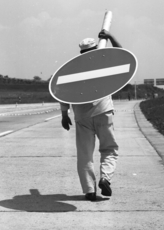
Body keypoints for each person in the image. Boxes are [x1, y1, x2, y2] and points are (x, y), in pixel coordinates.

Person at [60, 29, 121, 201]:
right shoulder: (104, 64)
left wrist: (64, 114)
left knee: (85, 154)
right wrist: (110, 37)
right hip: (103, 111)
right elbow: (123, 55)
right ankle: (105, 178)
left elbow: (63, 91)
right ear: (96, 50)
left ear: (81, 53)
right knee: (109, 148)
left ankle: (89, 190)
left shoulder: (73, 69)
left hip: (82, 116)